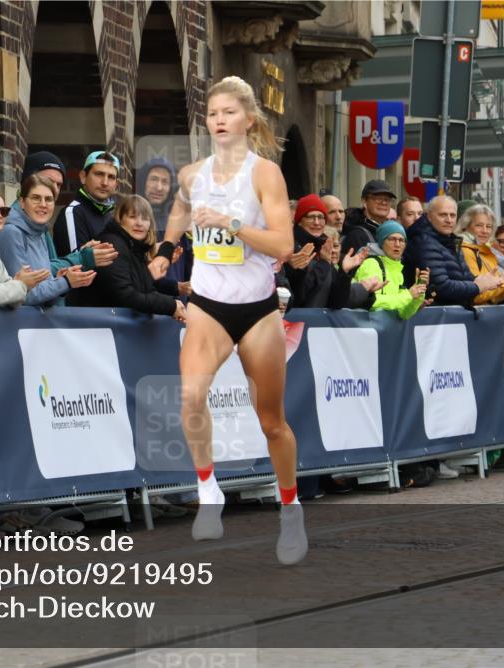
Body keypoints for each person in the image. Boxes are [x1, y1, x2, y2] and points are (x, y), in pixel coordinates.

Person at [147, 75, 306, 565]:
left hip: (257, 308)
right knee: (191, 396)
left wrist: (234, 225)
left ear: (249, 120)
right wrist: (167, 250)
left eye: (228, 112)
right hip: (209, 303)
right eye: (213, 113)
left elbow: (283, 245)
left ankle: (290, 508)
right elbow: (179, 208)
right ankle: (208, 489)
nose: (218, 120)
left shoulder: (265, 175)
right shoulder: (193, 174)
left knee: (271, 422)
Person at [0, 174, 97, 307]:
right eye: (36, 198)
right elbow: (22, 295)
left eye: (49, 199)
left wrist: (59, 280)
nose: (43, 205)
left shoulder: (40, 230)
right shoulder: (11, 232)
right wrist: (65, 282)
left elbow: (43, 293)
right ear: (22, 202)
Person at [404, 195, 502, 306]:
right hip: (433, 317)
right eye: (443, 215)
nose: (449, 220)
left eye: (452, 215)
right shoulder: (423, 242)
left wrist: (485, 280)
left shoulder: (452, 240)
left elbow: (465, 278)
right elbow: (441, 287)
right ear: (429, 216)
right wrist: (477, 286)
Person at [456, 204, 504, 305]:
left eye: (488, 226)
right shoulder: (466, 251)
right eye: (479, 225)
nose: (484, 231)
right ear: (466, 226)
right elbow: (477, 296)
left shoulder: (486, 251)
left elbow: (494, 298)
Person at [354, 221, 429, 319]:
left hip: (387, 331)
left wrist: (418, 294)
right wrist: (408, 295)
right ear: (382, 242)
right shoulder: (371, 264)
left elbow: (403, 314)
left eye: (401, 240)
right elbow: (370, 302)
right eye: (392, 239)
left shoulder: (397, 269)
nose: (397, 244)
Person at [53, 150, 120, 255]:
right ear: (83, 177)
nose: (105, 183)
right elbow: (72, 264)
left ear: (116, 184)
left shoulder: (114, 215)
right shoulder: (73, 213)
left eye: (111, 177)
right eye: (99, 174)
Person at [137, 156, 191, 284]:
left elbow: (191, 266)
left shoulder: (179, 220)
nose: (159, 187)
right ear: (143, 181)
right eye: (154, 179)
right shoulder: (128, 218)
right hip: (138, 298)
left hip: (175, 300)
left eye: (165, 182)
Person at [340, 179, 395, 258]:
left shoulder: (392, 231)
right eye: (378, 198)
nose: (384, 203)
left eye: (387, 199)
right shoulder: (357, 234)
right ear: (364, 201)